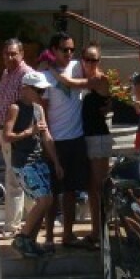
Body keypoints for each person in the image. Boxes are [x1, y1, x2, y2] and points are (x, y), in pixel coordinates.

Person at [42, 32, 91, 248]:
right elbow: (42, 111)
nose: (69, 53)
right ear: (54, 50)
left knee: (71, 191)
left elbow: (90, 77)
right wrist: (47, 141)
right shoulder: (44, 76)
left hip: (76, 138)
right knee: (52, 193)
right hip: (56, 141)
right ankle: (50, 236)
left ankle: (68, 234)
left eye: (72, 49)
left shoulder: (78, 67)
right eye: (64, 49)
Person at [6, 71, 63, 258]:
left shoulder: (38, 109)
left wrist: (56, 162)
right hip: (23, 162)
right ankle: (22, 238)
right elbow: (7, 136)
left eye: (43, 90)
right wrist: (29, 132)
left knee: (46, 201)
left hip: (38, 160)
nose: (41, 93)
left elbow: (46, 137)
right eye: (38, 90)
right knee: (44, 199)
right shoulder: (15, 108)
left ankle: (30, 240)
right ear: (26, 88)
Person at [0, 38, 35, 238]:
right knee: (18, 177)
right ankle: (35, 217)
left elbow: (31, 104)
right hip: (4, 131)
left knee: (13, 179)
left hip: (17, 134)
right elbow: (1, 102)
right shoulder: (6, 73)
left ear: (22, 54)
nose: (10, 57)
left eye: (13, 53)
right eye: (6, 54)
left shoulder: (27, 74)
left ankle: (11, 226)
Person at [79, 43, 112, 248]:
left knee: (99, 187)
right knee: (91, 187)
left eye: (95, 59)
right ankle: (95, 230)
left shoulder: (100, 79)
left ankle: (103, 232)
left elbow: (73, 83)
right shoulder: (82, 79)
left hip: (99, 137)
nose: (92, 63)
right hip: (86, 135)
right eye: (88, 59)